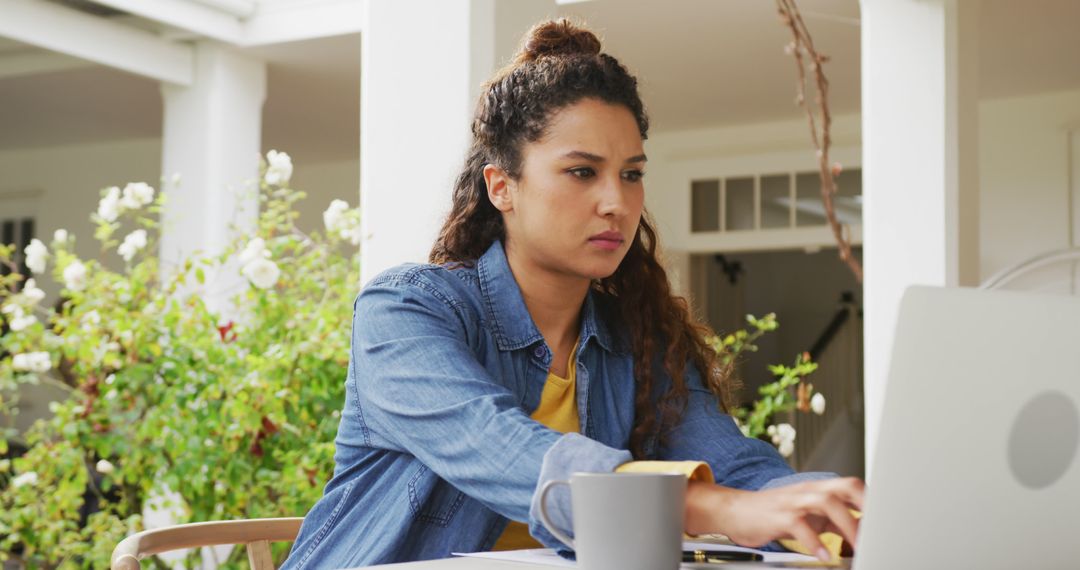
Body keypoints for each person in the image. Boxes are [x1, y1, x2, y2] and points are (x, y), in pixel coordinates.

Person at [283, 19, 864, 569]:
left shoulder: (636, 338)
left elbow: (738, 469)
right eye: (582, 172)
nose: (616, 201)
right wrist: (711, 508)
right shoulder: (405, 310)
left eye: (631, 174)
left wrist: (838, 515)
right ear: (502, 187)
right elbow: (500, 446)